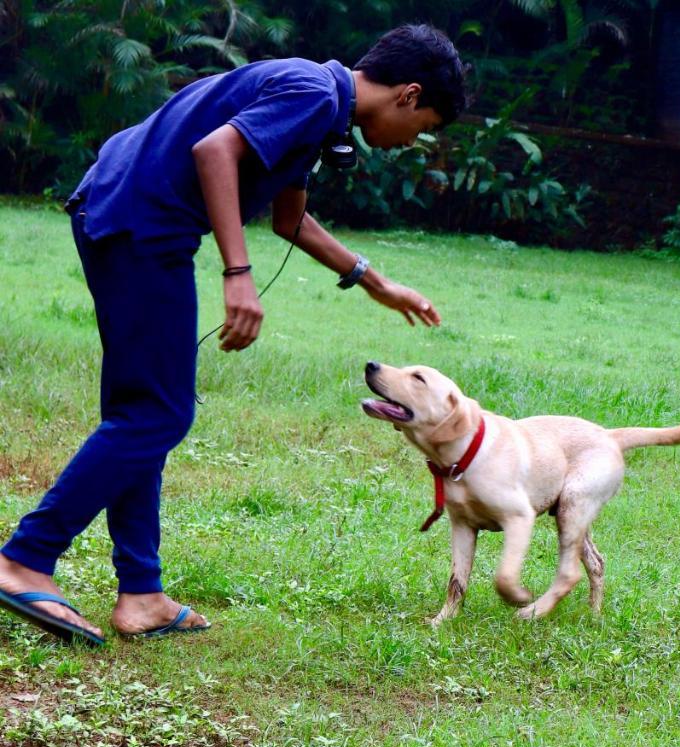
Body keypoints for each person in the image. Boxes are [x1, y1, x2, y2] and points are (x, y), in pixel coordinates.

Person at [0, 24, 467, 645]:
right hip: (145, 223)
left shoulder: (320, 103)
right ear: (409, 95)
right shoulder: (313, 94)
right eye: (425, 126)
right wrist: (237, 274)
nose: (414, 140)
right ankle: (24, 558)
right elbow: (215, 152)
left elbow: (288, 215)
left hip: (119, 207)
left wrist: (372, 281)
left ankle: (141, 593)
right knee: (157, 417)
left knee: (144, 413)